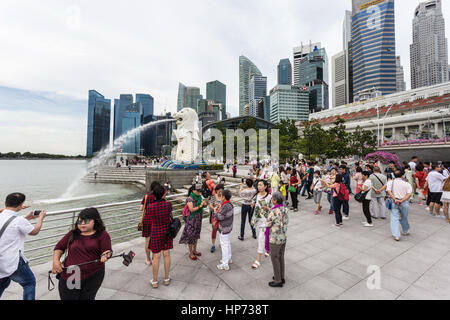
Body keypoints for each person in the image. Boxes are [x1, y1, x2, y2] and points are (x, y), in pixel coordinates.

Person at [52, 208, 112, 300]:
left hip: (93, 274)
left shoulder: (103, 235)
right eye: (80, 222)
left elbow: (107, 250)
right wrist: (56, 262)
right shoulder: (72, 234)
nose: (82, 224)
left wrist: (106, 255)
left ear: (95, 221)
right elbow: (59, 248)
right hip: (72, 274)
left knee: (87, 298)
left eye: (86, 221)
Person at [0, 193, 46, 300]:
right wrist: (41, 218)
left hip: (0, 261)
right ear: (21, 205)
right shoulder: (19, 220)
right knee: (29, 283)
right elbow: (34, 231)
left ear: (5, 203)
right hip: (12, 261)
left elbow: (10, 224)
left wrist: (27, 217)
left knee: (2, 283)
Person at [146, 184, 173, 288]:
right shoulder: (168, 205)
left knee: (156, 257)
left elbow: (148, 215)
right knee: (166, 254)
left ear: (154, 195)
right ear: (164, 194)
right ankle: (166, 279)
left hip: (156, 232)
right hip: (166, 232)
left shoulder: (150, 207)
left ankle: (155, 281)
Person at [179, 184, 208, 260]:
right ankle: (191, 253)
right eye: (198, 191)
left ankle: (194, 250)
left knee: (196, 235)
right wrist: (200, 206)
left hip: (198, 219)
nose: (199, 192)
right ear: (193, 190)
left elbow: (204, 205)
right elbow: (191, 209)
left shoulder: (199, 197)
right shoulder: (190, 198)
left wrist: (206, 203)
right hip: (191, 220)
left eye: (200, 191)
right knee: (191, 236)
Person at [266, 192, 289, 288]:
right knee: (280, 257)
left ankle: (277, 280)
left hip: (275, 239)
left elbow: (268, 224)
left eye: (272, 199)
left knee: (275, 258)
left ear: (274, 200)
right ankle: (281, 276)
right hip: (283, 237)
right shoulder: (285, 209)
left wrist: (267, 213)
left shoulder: (274, 211)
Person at [251, 180, 272, 270]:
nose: (259, 186)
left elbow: (274, 210)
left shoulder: (270, 197)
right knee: (266, 236)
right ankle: (268, 249)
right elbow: (254, 204)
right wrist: (252, 204)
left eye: (260, 185)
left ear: (265, 186)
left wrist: (267, 208)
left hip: (266, 221)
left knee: (261, 238)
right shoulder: (256, 196)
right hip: (258, 220)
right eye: (258, 185)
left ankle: (258, 259)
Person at [386, 170, 412, 241]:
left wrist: (395, 199)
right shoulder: (407, 184)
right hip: (404, 202)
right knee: (404, 217)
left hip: (394, 202)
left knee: (394, 218)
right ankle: (405, 231)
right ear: (402, 176)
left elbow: (388, 191)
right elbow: (409, 194)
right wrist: (401, 200)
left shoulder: (390, 182)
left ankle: (396, 235)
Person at [139, 181, 160, 265]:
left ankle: (148, 259)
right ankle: (154, 257)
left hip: (147, 220)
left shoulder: (147, 197)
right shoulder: (159, 197)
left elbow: (141, 209)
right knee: (155, 240)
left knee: (147, 241)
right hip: (157, 220)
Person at [215, 189, 234, 271]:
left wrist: (215, 212)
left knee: (224, 245)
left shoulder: (225, 206)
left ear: (224, 197)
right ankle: (228, 258)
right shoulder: (229, 204)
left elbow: (220, 217)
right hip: (228, 227)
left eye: (221, 196)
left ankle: (225, 264)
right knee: (227, 243)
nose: (220, 197)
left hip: (224, 228)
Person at [209, 184, 224, 253]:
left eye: (222, 191)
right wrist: (214, 208)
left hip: (221, 216)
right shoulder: (213, 197)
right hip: (214, 216)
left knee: (221, 230)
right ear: (216, 190)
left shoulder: (223, 197)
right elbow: (210, 205)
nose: (220, 193)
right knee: (214, 230)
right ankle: (213, 245)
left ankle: (222, 243)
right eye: (219, 191)